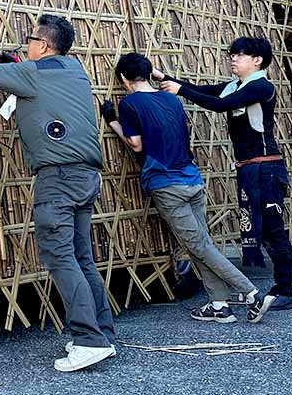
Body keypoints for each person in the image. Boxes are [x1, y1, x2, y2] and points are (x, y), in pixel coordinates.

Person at [0, 14, 116, 372]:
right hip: (86, 176)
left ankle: (88, 339)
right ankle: (102, 332)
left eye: (30, 39)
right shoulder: (76, 71)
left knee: (60, 257)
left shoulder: (32, 73)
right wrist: (21, 66)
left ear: (42, 45)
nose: (26, 44)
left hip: (58, 179)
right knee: (82, 256)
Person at [101, 52, 270, 323]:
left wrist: (112, 120)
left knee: (200, 245)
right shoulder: (171, 99)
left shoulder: (130, 103)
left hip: (166, 184)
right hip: (192, 180)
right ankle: (219, 305)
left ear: (123, 78)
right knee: (200, 245)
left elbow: (136, 144)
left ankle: (252, 293)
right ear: (147, 73)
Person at [154, 36, 292, 312]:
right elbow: (204, 91)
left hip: (266, 166)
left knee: (272, 229)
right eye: (231, 54)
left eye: (239, 55)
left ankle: (288, 287)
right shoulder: (235, 86)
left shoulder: (260, 85)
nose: (232, 58)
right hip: (249, 167)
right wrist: (167, 78)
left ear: (257, 60)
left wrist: (180, 91)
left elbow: (219, 105)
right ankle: (288, 285)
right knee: (260, 228)